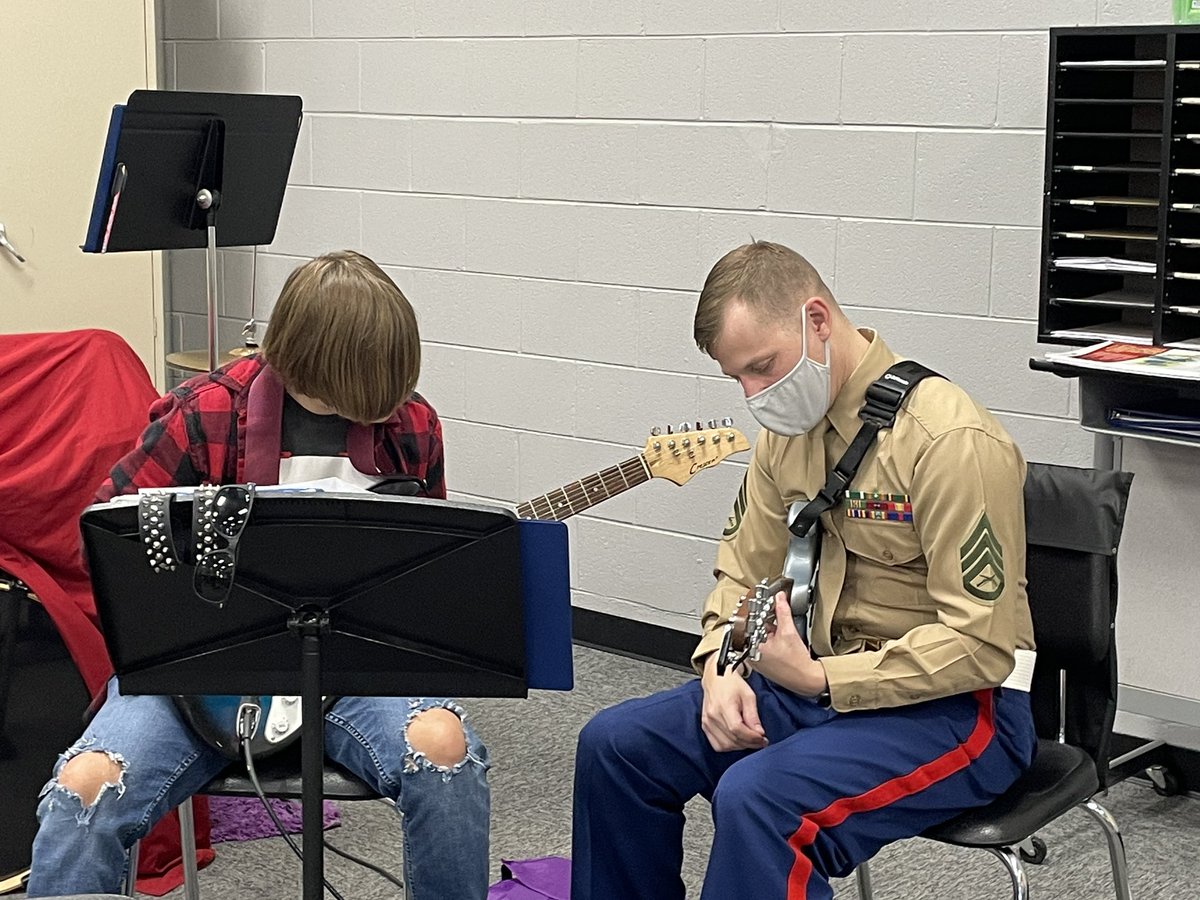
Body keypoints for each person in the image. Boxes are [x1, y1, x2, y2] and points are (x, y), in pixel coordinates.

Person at [571, 241, 1038, 899]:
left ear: (816, 320)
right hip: (814, 681)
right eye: (737, 378)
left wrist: (822, 679)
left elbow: (981, 646)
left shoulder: (951, 441)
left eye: (762, 367)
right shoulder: (787, 431)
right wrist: (721, 669)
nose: (754, 394)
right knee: (616, 746)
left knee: (759, 800)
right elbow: (743, 574)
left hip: (956, 709)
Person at [28, 251, 491, 899]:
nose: (387, 404)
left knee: (446, 754)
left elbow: (427, 574)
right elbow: (104, 550)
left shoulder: (410, 420)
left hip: (353, 670)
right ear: (309, 360)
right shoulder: (203, 412)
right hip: (201, 671)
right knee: (85, 788)